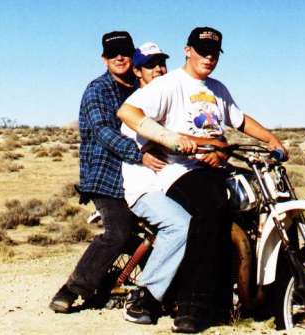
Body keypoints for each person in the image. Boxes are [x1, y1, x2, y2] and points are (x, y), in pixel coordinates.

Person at [117, 27, 287, 333]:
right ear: (187, 50)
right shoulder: (169, 84)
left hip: (214, 168)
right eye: (202, 51)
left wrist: (273, 141)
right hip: (179, 170)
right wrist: (171, 140)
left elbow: (241, 120)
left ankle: (258, 292)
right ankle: (192, 305)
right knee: (211, 208)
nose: (208, 58)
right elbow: (127, 111)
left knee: (255, 204)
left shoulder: (217, 89)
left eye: (213, 53)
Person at [49, 31, 191, 315]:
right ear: (104, 59)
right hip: (106, 176)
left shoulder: (138, 90)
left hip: (143, 173)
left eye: (125, 52)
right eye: (113, 54)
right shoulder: (97, 90)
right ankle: (73, 289)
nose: (120, 58)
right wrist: (140, 155)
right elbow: (103, 132)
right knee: (118, 231)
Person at [120, 42, 195, 325]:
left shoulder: (170, 97)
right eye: (151, 65)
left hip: (170, 182)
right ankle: (144, 296)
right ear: (137, 71)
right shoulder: (140, 103)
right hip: (145, 187)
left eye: (162, 63)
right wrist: (143, 152)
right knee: (180, 225)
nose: (159, 69)